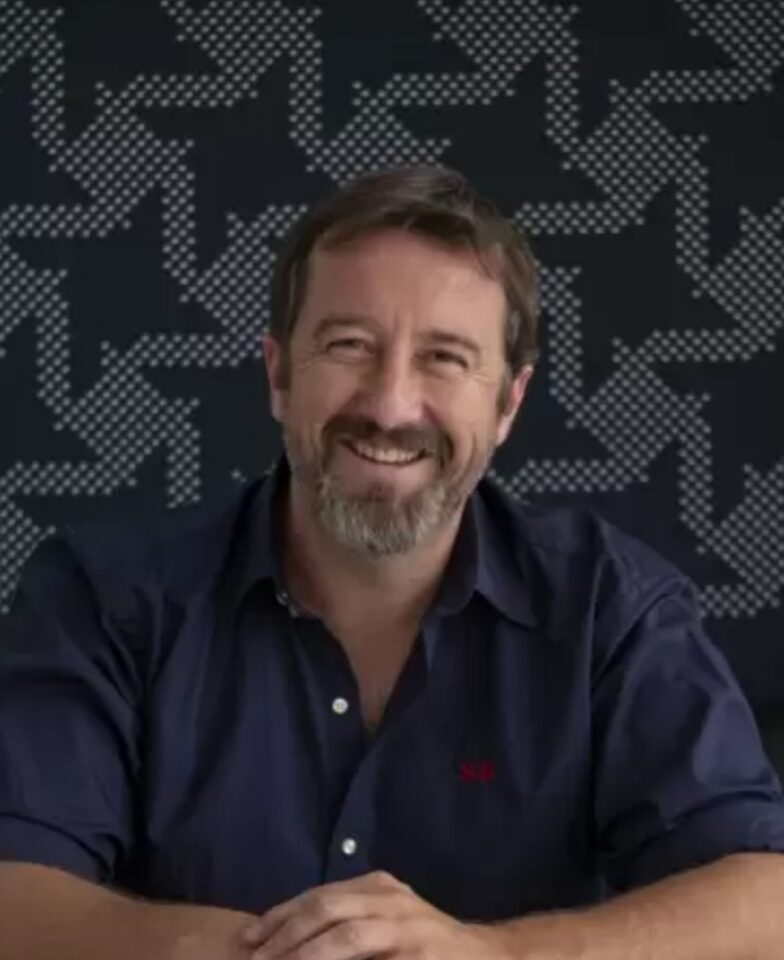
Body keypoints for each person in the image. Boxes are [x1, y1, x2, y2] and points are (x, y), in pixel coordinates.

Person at [1, 166, 784, 960]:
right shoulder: (103, 596)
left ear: (508, 404)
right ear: (279, 375)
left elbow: (765, 899)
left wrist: (494, 955)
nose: (389, 405)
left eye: (445, 358)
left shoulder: (609, 608)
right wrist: (279, 953)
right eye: (349, 346)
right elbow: (13, 897)